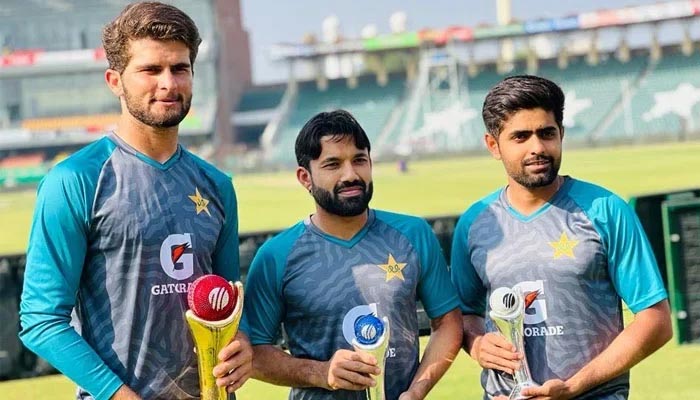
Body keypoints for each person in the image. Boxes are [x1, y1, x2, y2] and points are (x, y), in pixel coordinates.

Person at [19, 2, 252, 399]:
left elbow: (225, 300)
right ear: (115, 80)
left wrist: (242, 344)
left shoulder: (217, 184)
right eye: (150, 70)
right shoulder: (75, 181)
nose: (168, 83)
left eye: (180, 68)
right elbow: (41, 320)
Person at [450, 75, 672, 399]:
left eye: (546, 133)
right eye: (521, 137)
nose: (537, 148)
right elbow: (461, 316)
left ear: (561, 134)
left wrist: (574, 386)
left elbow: (656, 320)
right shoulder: (475, 222)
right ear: (493, 146)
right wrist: (477, 343)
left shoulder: (606, 210)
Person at [243, 109, 462, 400]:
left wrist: (418, 389)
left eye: (359, 160)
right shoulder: (275, 256)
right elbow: (255, 353)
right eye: (332, 164)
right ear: (305, 177)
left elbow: (448, 322)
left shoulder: (414, 234)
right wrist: (321, 373)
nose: (351, 175)